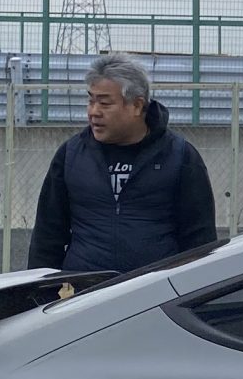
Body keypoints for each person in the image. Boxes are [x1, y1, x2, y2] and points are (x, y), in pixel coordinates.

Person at [27, 53, 218, 275]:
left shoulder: (180, 156)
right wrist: (39, 297)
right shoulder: (71, 155)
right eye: (91, 100)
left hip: (156, 294)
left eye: (105, 103)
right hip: (85, 296)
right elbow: (47, 235)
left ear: (137, 106)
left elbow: (199, 240)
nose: (93, 112)